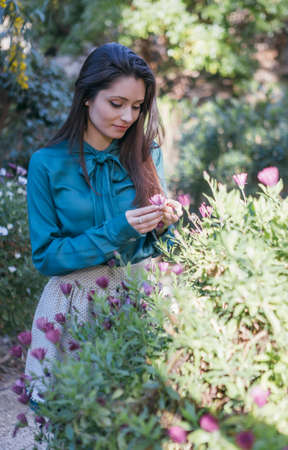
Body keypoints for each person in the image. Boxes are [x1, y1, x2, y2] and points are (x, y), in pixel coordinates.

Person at [24, 42, 182, 407]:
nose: (128, 116)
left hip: (138, 296)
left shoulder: (147, 154)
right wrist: (118, 229)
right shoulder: (46, 164)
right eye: (117, 103)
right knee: (71, 417)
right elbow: (47, 256)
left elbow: (165, 251)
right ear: (86, 97)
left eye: (137, 106)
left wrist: (163, 227)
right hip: (70, 301)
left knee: (140, 419)